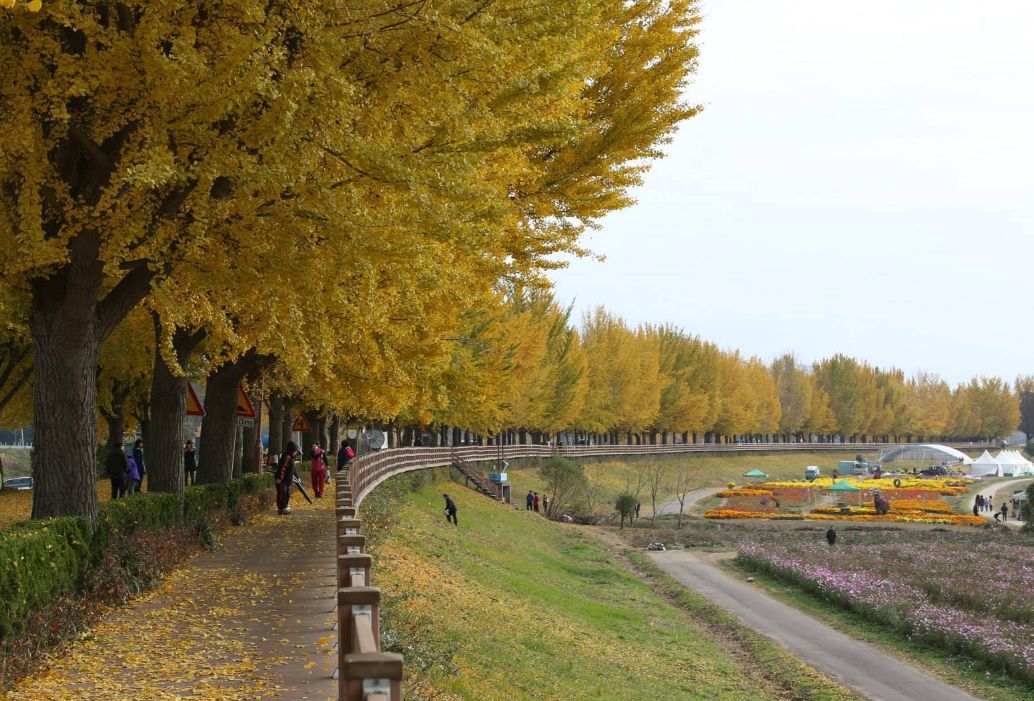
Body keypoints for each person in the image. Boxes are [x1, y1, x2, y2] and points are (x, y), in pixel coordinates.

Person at [275, 442, 300, 515]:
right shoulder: (287, 457)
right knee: (282, 493)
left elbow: (293, 469)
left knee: (286, 494)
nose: (296, 453)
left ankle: (284, 506)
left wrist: (297, 477)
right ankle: (281, 508)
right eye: (295, 451)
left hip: (287, 480)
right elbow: (282, 468)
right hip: (282, 480)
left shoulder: (291, 458)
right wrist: (280, 478)